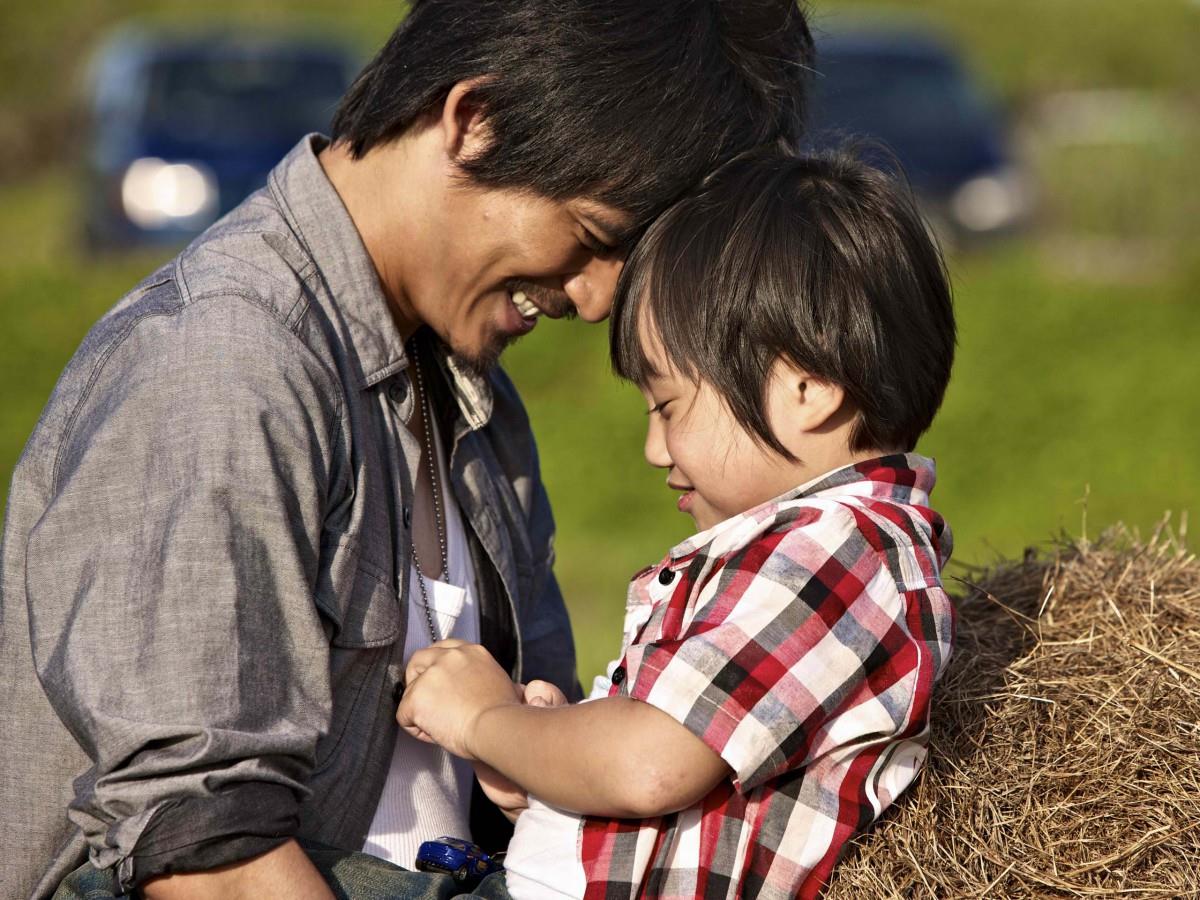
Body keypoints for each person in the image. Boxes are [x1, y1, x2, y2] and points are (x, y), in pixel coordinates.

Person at [0, 2, 815, 898]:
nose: (592, 300)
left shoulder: (474, 403)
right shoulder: (222, 369)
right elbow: (207, 864)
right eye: (591, 238)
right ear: (475, 119)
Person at [393, 148, 959, 898]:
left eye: (669, 406)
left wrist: (483, 722)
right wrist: (551, 767)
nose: (655, 448)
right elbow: (675, 775)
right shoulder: (813, 548)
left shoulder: (839, 553)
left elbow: (652, 765)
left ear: (810, 390)